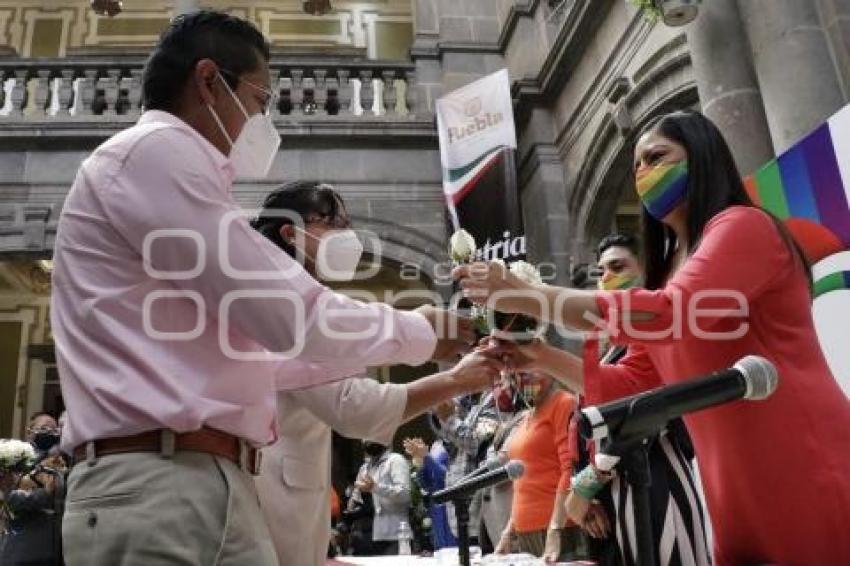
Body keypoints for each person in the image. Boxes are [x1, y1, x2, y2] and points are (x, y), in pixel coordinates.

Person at [52, 11, 473, 566]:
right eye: (260, 99)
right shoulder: (154, 153)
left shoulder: (180, 177)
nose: (263, 118)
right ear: (209, 81)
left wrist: (427, 340)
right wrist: (423, 331)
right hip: (160, 480)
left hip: (204, 477)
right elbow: (294, 318)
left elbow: (278, 355)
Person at [455, 109, 850, 564]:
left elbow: (675, 312)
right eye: (637, 165)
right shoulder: (671, 277)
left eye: (656, 157)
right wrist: (539, 355)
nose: (642, 173)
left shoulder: (742, 226)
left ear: (701, 158)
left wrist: (529, 296)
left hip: (804, 468)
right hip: (733, 494)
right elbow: (631, 386)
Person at [251, 182, 501, 566]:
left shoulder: (292, 294)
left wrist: (424, 333)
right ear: (290, 232)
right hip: (272, 499)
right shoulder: (278, 300)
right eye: (334, 222)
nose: (347, 235)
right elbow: (355, 407)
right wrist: (455, 378)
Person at [510, 234, 710, 565]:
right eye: (600, 271)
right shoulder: (612, 346)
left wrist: (584, 487)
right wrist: (590, 492)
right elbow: (593, 424)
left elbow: (632, 404)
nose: (606, 277)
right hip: (619, 488)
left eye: (617, 267)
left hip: (657, 476)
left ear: (646, 273)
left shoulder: (655, 329)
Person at [494, 372, 589, 562]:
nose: (523, 378)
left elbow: (569, 468)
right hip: (525, 533)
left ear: (549, 370)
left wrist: (555, 530)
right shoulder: (526, 416)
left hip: (559, 530)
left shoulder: (563, 403)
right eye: (518, 374)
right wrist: (508, 531)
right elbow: (522, 481)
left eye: (530, 370)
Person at [0, 413, 67, 566]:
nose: (49, 433)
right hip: (20, 551)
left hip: (54, 552)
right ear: (29, 432)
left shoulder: (62, 464)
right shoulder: (13, 461)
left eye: (54, 430)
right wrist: (43, 494)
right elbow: (7, 498)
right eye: (44, 429)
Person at [349, 441, 411, 556]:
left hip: (394, 535)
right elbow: (354, 503)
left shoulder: (395, 460)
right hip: (367, 536)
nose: (368, 441)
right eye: (364, 438)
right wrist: (354, 499)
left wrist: (375, 487)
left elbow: (405, 494)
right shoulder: (364, 468)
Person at [403, 432, 457, 551]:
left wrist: (426, 456)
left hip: (453, 506)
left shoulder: (456, 444)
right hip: (437, 508)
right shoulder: (436, 446)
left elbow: (447, 477)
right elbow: (427, 485)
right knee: (441, 553)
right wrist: (419, 461)